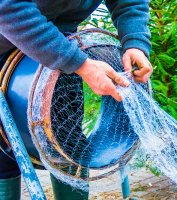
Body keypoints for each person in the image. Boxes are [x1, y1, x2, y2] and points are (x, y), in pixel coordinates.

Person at [0, 0, 152, 199]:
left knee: (66, 142)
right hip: (9, 35)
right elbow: (8, 7)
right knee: (5, 148)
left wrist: (135, 41)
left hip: (59, 42)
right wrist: (80, 64)